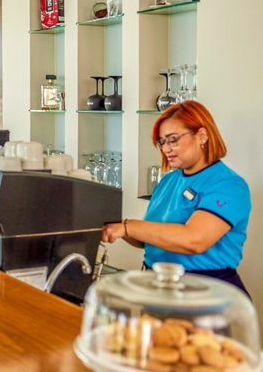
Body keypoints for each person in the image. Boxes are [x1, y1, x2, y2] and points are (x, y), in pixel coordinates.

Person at [102, 100, 252, 296]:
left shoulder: (228, 185)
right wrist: (116, 228)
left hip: (206, 293)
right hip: (160, 286)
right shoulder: (169, 181)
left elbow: (194, 240)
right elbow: (150, 239)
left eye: (173, 140)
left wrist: (128, 226)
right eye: (162, 142)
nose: (166, 149)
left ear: (202, 136)